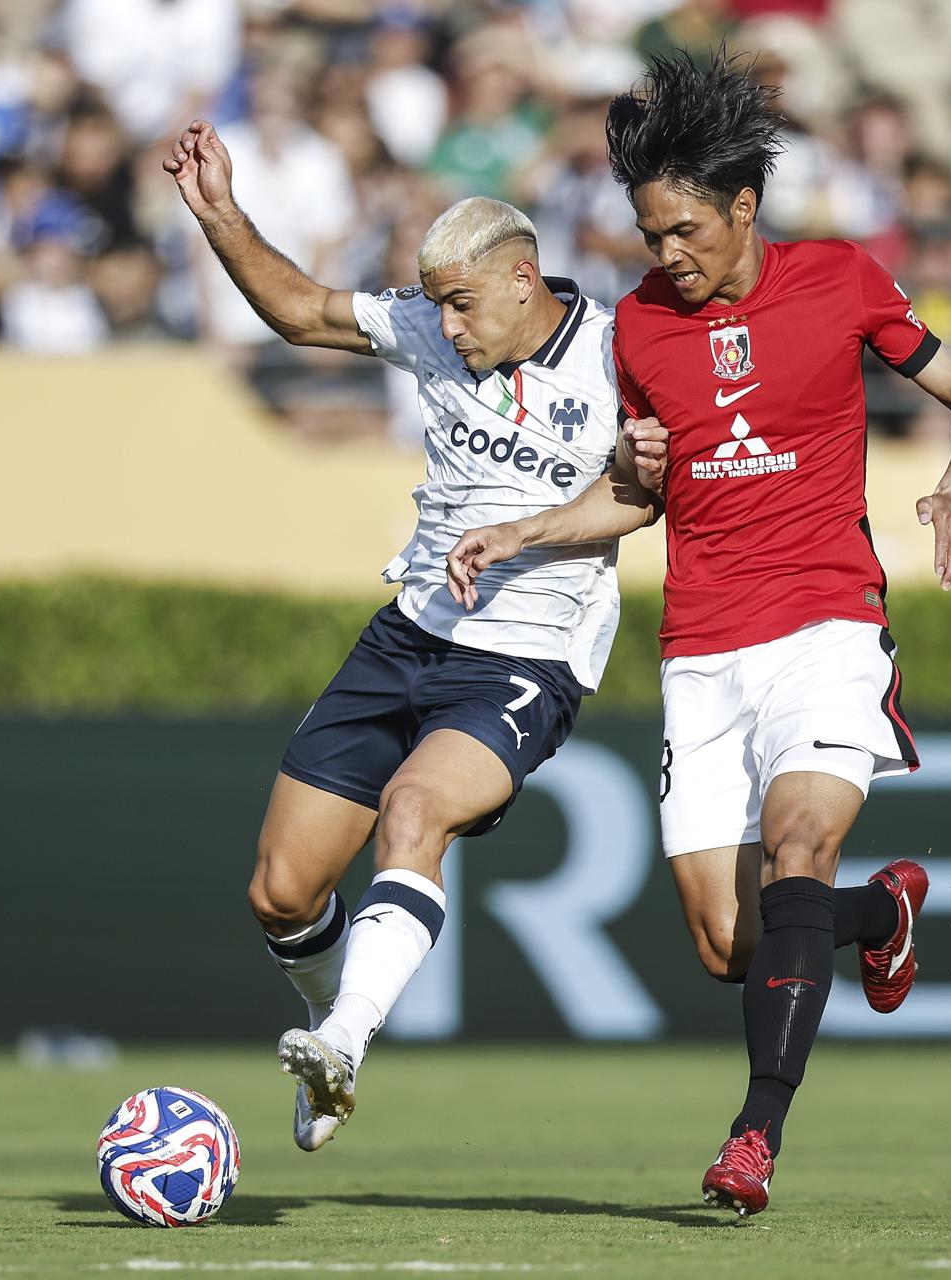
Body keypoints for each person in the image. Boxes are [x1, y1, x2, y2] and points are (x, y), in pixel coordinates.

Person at [446, 52, 951, 1217]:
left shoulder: (841, 278)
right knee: (727, 941)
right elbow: (638, 493)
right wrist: (531, 526)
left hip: (826, 623)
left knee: (801, 841)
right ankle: (882, 912)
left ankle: (754, 1133)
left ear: (744, 207)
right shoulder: (639, 328)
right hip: (703, 650)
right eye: (650, 233)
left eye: (687, 230)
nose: (667, 253)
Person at [163, 120, 628, 1152]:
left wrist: (526, 531)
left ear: (522, 279)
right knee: (282, 891)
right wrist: (221, 214)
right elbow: (300, 309)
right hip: (409, 633)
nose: (446, 326)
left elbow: (645, 496)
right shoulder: (429, 326)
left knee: (414, 809)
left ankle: (342, 1037)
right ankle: (335, 1044)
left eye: (462, 303)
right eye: (437, 304)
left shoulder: (618, 355)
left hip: (525, 654)